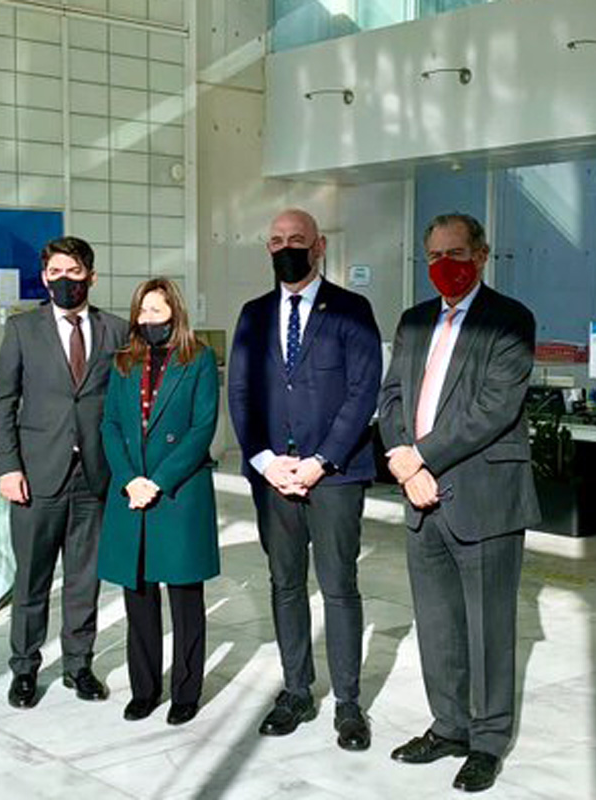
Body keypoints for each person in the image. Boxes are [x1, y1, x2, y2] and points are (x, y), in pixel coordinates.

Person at [378, 212, 540, 793]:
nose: (445, 265)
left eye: (456, 253)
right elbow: (393, 395)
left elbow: (492, 410)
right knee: (438, 624)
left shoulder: (510, 321)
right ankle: (449, 726)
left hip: (485, 497)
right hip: (420, 497)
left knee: (489, 627)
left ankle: (489, 741)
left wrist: (418, 458)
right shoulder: (414, 321)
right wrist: (400, 457)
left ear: (482, 254)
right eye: (434, 256)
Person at [227, 208, 382, 751]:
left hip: (334, 476)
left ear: (318, 246)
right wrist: (266, 461)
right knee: (285, 585)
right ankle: (296, 691)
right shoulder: (252, 315)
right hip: (273, 476)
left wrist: (321, 462)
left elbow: (364, 392)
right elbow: (240, 395)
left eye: (296, 239)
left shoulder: (352, 309)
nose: (285, 248)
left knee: (339, 588)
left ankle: (347, 703)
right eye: (275, 240)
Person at [0, 235, 127, 708]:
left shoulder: (117, 330)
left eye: (73, 272)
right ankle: (25, 668)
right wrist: (7, 467)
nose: (63, 280)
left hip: (95, 476)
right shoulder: (22, 330)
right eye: (55, 273)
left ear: (91, 275)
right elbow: (4, 403)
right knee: (31, 579)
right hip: (35, 474)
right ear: (44, 277)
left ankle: (78, 665)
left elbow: (126, 406)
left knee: (84, 579)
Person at [96, 278, 220, 726]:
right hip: (132, 494)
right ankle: (144, 689)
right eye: (142, 312)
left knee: (185, 600)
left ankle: (186, 691)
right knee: (139, 598)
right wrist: (130, 480)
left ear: (176, 313)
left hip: (178, 492)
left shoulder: (200, 359)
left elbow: (202, 428)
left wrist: (158, 480)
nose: (148, 319)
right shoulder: (124, 362)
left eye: (157, 311)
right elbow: (110, 424)